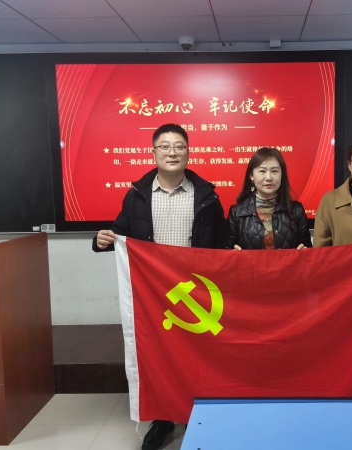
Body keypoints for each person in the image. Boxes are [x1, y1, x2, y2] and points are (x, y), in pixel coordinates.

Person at [93, 123, 227, 450]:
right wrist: (102, 241)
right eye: (164, 146)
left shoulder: (207, 197)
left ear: (188, 152)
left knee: (200, 353)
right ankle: (163, 418)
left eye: (179, 146)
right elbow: (121, 233)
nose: (172, 152)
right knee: (160, 355)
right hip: (155, 295)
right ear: (153, 152)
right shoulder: (136, 196)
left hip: (198, 291)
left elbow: (221, 244)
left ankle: (198, 410)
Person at [226, 147, 312, 250]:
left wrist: (304, 251)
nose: (269, 177)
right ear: (251, 175)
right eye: (262, 171)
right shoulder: (236, 212)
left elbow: (308, 249)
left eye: (274, 171)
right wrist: (232, 253)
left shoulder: (297, 210)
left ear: (282, 175)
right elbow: (226, 251)